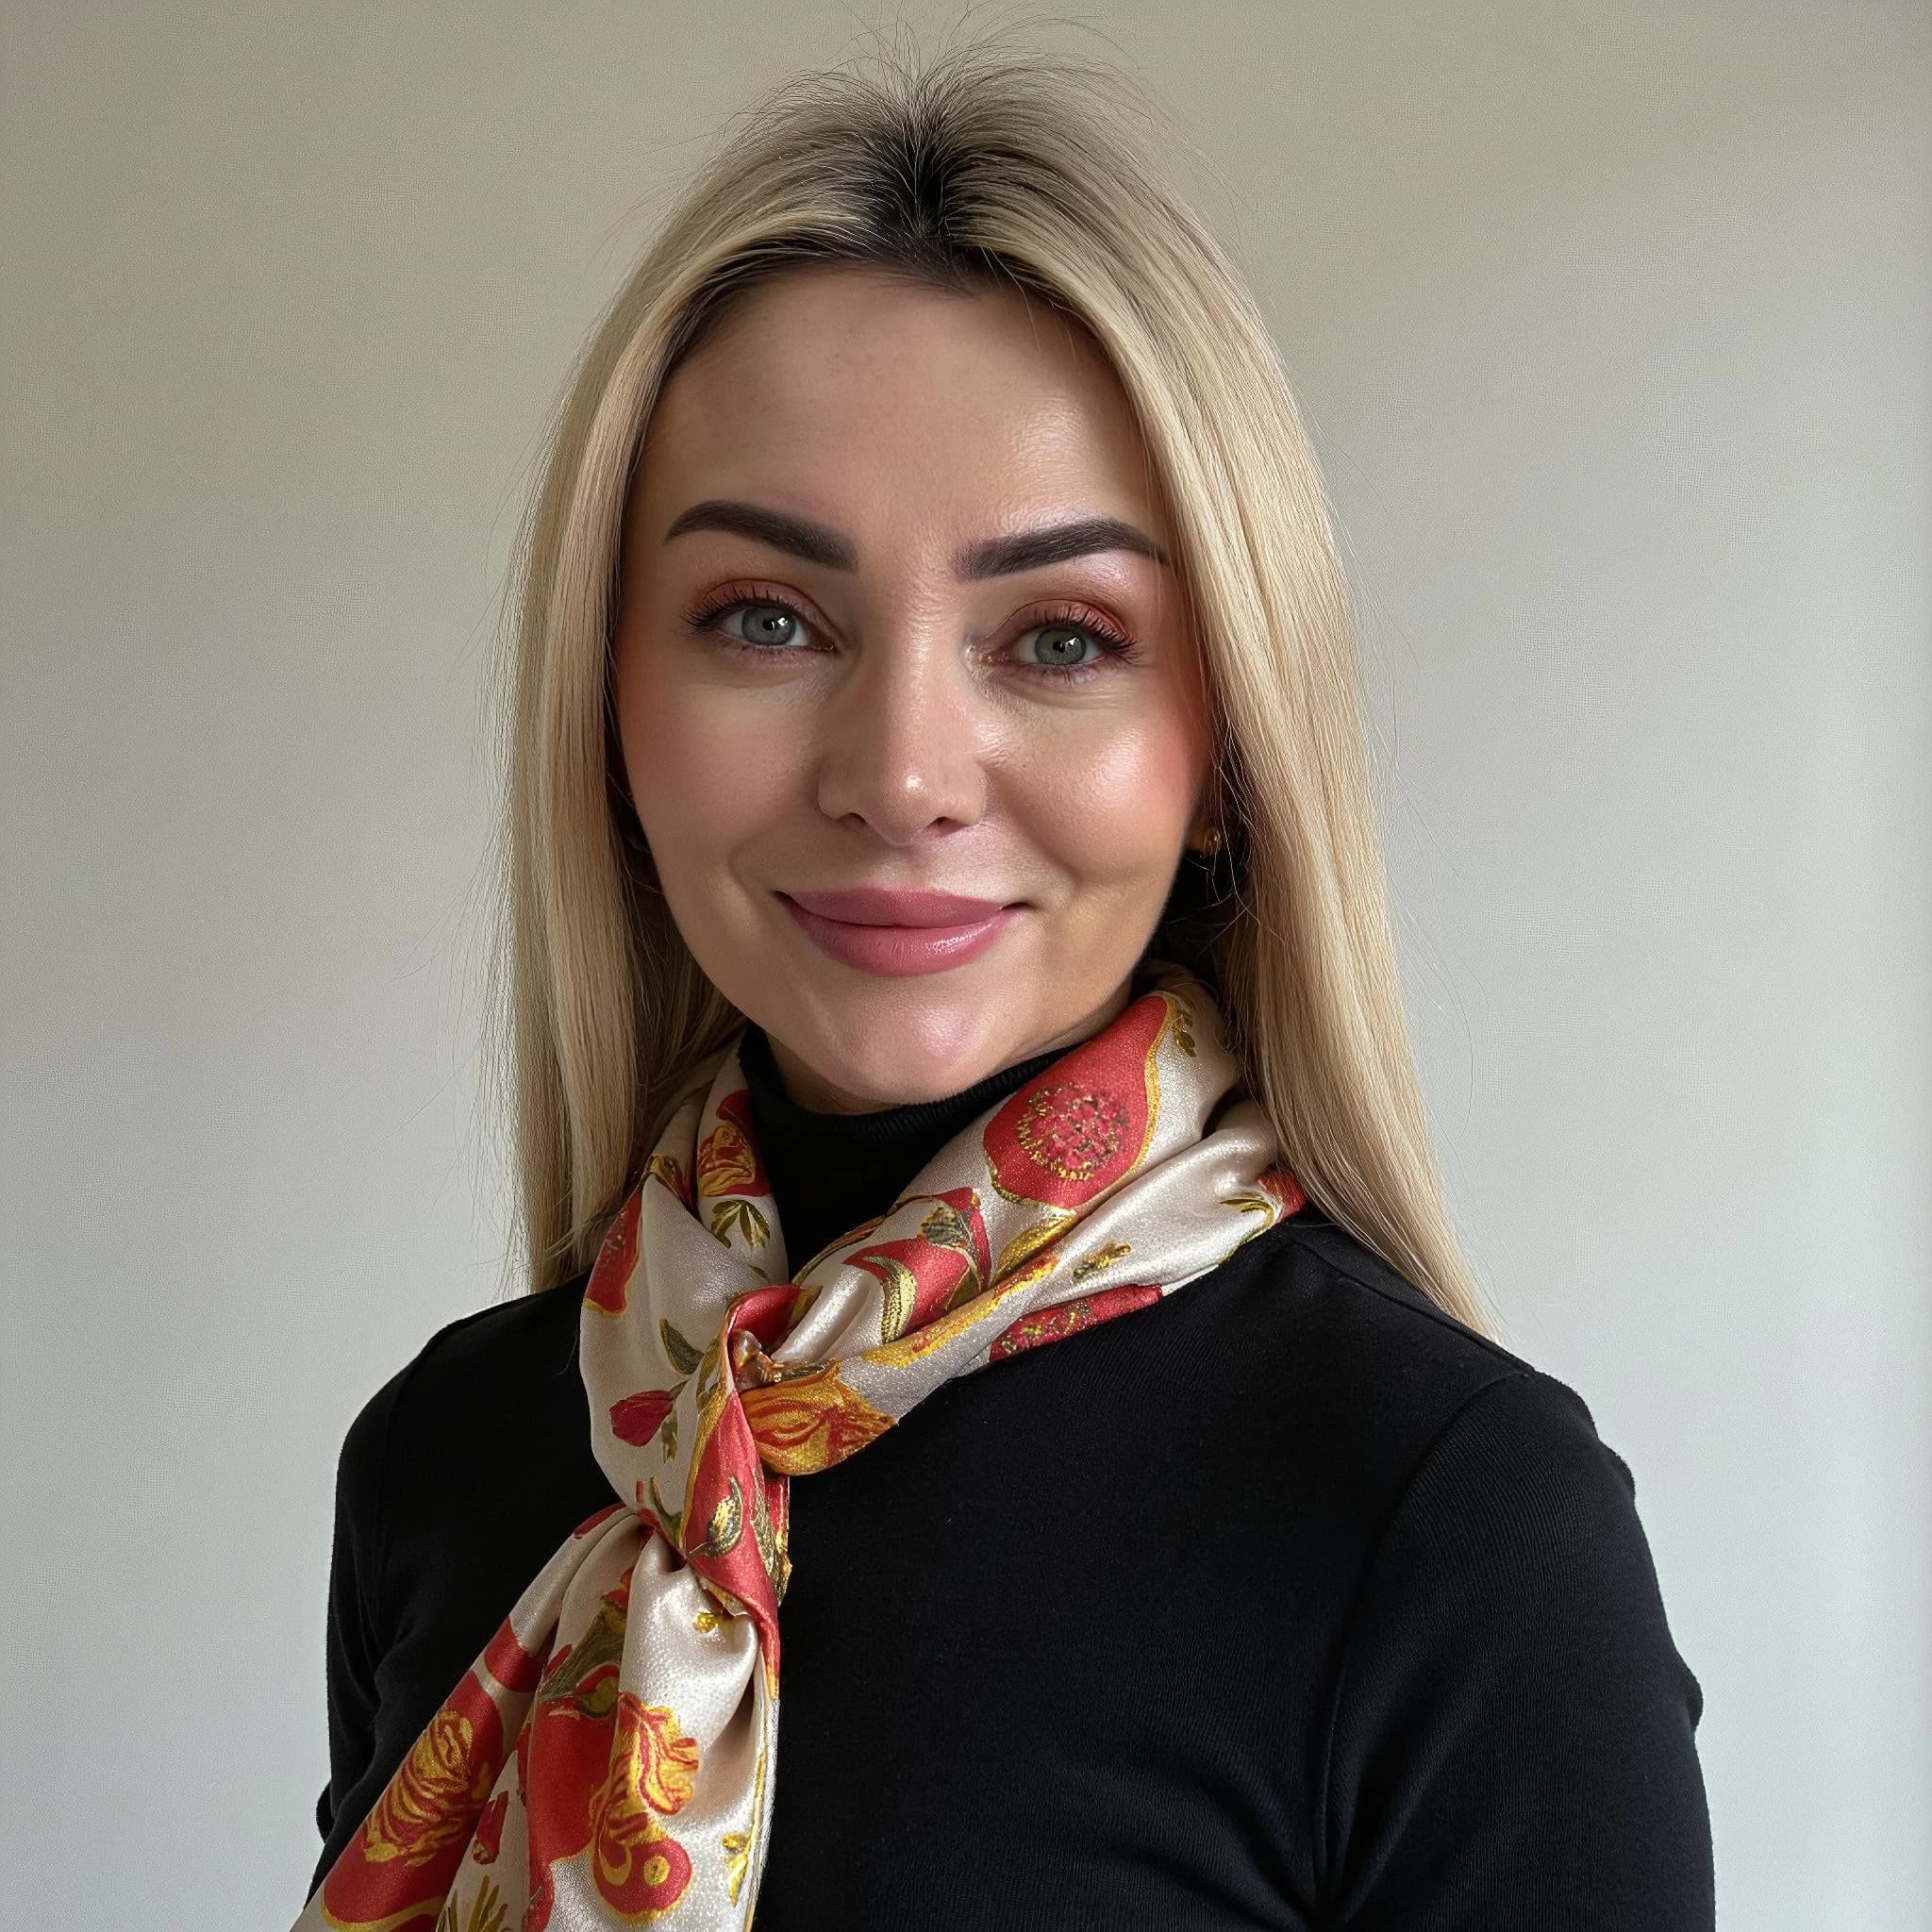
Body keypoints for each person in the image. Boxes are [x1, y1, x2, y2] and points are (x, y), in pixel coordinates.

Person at [297, 35, 1715, 1932]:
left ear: (1217, 749)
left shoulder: (1445, 1528)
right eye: (766, 618)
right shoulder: (453, 1461)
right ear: (608, 712)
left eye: (1058, 635)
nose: (897, 772)